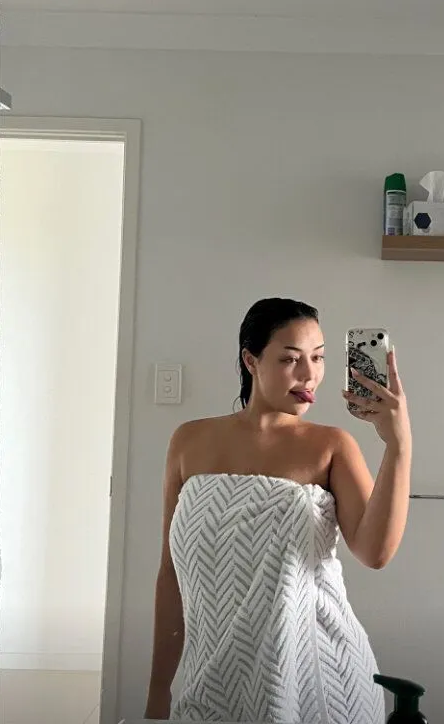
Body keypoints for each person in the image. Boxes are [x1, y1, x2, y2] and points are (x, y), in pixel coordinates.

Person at [144, 298, 412, 723]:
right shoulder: (188, 442)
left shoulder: (332, 446)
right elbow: (170, 574)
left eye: (318, 357)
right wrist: (159, 690)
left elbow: (375, 553)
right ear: (250, 360)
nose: (309, 374)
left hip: (318, 683)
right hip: (211, 685)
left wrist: (398, 444)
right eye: (290, 359)